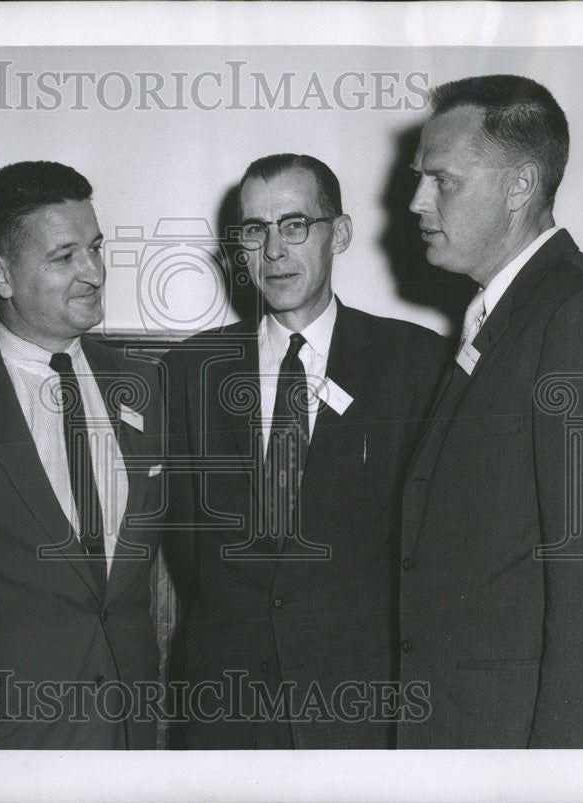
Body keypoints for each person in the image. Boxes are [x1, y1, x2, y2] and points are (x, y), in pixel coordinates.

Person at [163, 153, 449, 749]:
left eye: (294, 225)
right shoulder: (188, 372)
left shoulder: (415, 365)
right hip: (225, 712)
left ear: (338, 234)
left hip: (358, 712)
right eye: (254, 230)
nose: (272, 251)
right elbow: (188, 555)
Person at [398, 74, 583, 748]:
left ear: (519, 186)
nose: (416, 200)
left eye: (441, 180)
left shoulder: (581, 315)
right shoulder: (506, 310)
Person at [0, 161, 164, 749]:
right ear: (1, 276)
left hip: (126, 734)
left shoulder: (147, 388)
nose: (94, 272)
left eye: (96, 249)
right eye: (64, 256)